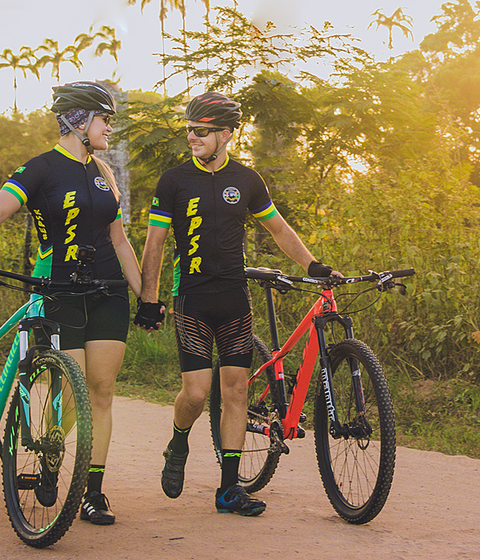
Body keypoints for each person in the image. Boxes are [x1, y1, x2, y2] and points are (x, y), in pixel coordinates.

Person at [0, 81, 152, 527]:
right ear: (78, 121)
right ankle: (47, 454)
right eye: (105, 119)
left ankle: (92, 493)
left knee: (102, 392)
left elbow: (119, 241)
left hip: (107, 291)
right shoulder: (40, 168)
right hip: (58, 288)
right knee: (71, 388)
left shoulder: (104, 171)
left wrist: (147, 297)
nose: (110, 128)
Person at [140, 91, 339, 516]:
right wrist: (148, 297)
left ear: (226, 135)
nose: (191, 136)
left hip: (234, 299)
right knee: (196, 394)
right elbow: (154, 242)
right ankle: (178, 443)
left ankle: (229, 490)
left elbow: (279, 229)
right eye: (189, 129)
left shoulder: (247, 180)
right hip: (192, 299)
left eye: (201, 131)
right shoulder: (173, 181)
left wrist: (312, 263)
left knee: (235, 392)